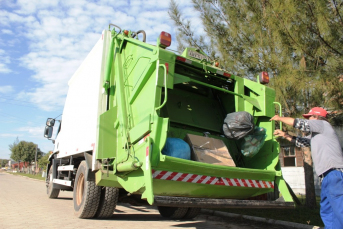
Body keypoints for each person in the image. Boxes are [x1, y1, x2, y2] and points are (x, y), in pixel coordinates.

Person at [270, 107, 343, 229]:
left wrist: (279, 118)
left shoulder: (323, 125)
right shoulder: (317, 135)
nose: (309, 119)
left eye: (310, 117)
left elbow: (299, 123)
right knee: (327, 210)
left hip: (334, 174)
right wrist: (284, 135)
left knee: (339, 208)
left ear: (317, 117)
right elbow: (301, 142)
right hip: (326, 176)